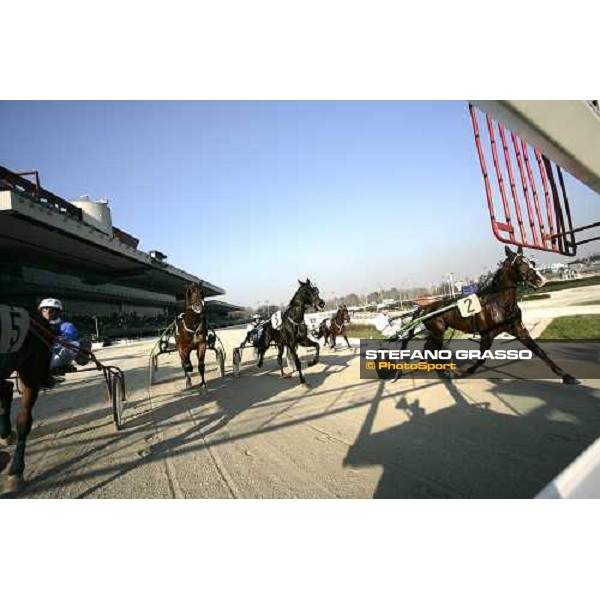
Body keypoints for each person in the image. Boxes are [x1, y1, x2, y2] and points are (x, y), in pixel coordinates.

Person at [38, 298, 88, 376]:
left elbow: (69, 339)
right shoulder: (38, 326)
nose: (47, 312)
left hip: (58, 357)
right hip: (41, 357)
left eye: (51, 310)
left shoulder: (67, 326)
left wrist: (55, 338)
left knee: (74, 344)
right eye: (44, 309)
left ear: (58, 312)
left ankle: (57, 367)